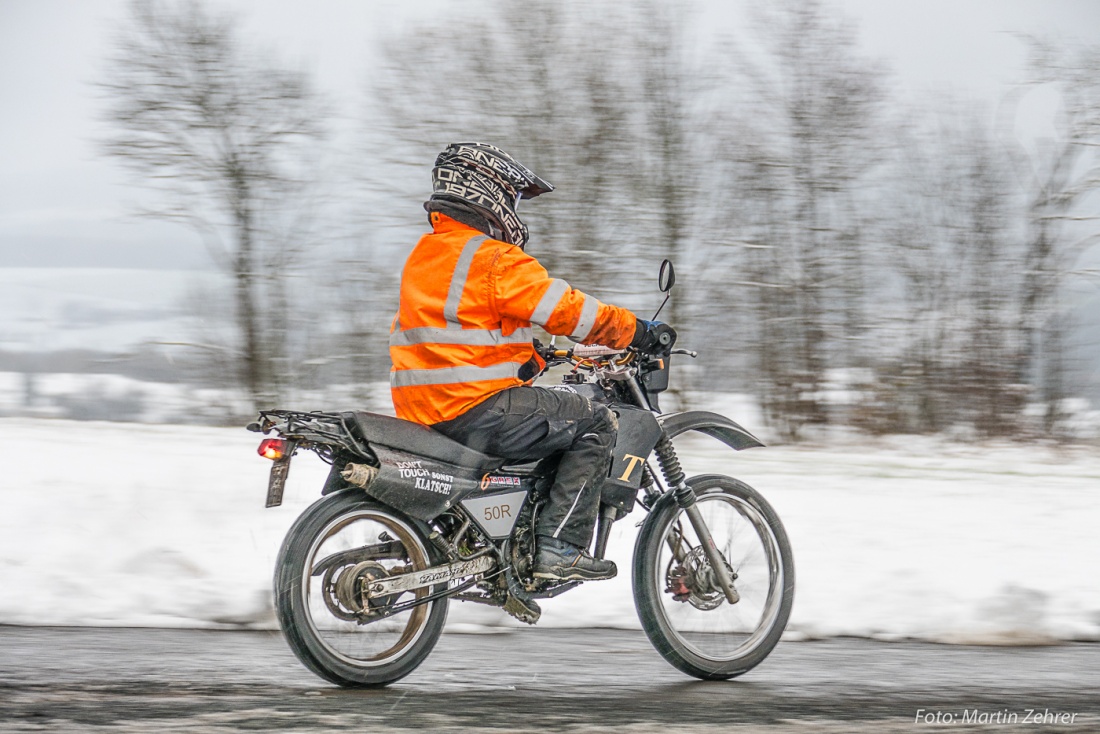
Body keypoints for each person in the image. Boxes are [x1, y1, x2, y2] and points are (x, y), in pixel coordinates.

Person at [389, 142, 667, 582]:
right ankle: (558, 547)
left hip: (425, 410)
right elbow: (568, 310)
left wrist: (529, 356)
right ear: (488, 191)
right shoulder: (491, 258)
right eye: (514, 197)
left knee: (548, 410)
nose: (515, 209)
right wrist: (636, 331)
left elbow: (455, 335)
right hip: (474, 408)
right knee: (595, 421)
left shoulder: (426, 257)